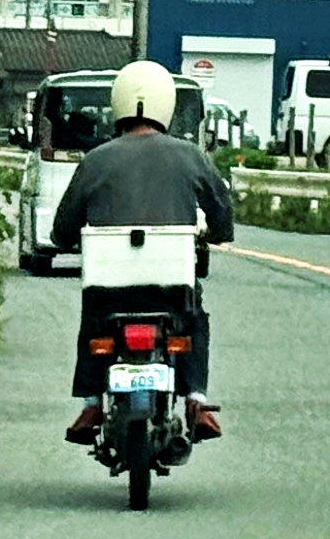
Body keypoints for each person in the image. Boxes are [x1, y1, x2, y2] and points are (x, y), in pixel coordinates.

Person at [45, 59, 232, 444]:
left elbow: (63, 228)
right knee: (194, 322)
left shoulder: (96, 159)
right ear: (167, 105)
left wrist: (68, 240)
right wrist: (217, 233)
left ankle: (92, 404)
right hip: (171, 287)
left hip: (108, 290)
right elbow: (220, 209)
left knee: (93, 325)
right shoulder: (190, 155)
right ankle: (196, 401)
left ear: (118, 104)